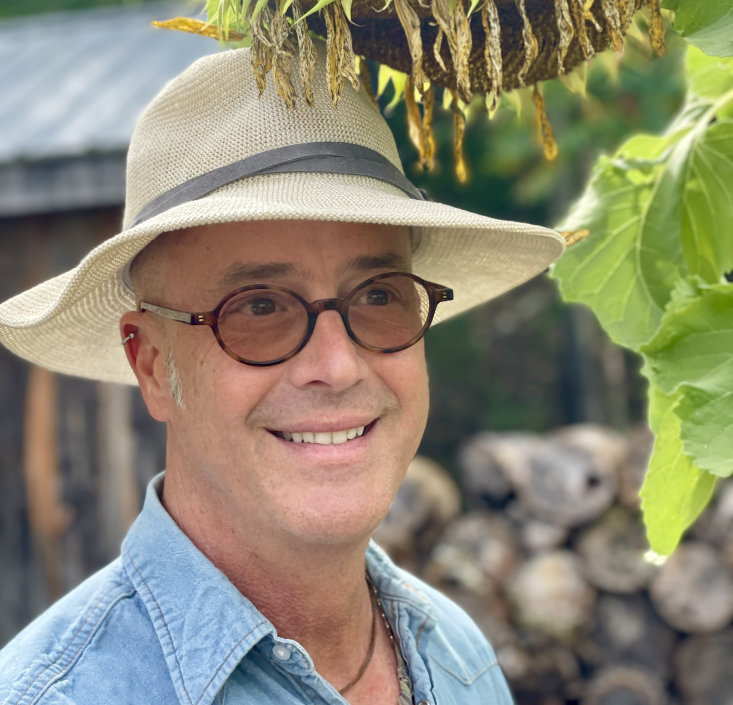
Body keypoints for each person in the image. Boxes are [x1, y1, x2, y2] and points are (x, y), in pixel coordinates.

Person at [0, 47, 563, 704]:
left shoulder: (453, 650)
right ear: (152, 364)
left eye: (379, 294)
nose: (336, 364)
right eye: (259, 307)